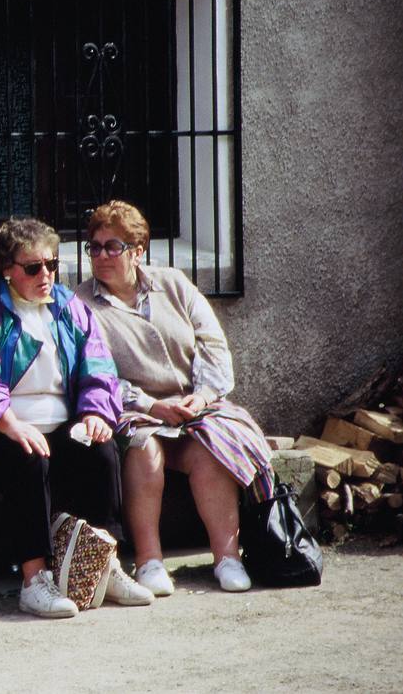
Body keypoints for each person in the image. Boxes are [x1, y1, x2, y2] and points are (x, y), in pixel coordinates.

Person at [0, 217, 153, 618]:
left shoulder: (67, 306)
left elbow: (99, 367)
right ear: (7, 269)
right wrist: (10, 423)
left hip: (58, 425)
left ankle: (104, 563)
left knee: (102, 452)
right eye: (33, 267)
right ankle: (34, 579)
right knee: (27, 457)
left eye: (51, 264)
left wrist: (96, 412)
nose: (45, 275)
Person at [76, 200, 275, 595]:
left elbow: (212, 345)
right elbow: (93, 373)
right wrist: (152, 406)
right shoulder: (82, 304)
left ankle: (227, 558)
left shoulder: (173, 284)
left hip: (190, 407)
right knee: (144, 448)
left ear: (138, 250)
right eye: (94, 247)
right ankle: (149, 562)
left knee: (211, 449)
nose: (101, 256)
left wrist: (199, 399)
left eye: (112, 246)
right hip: (133, 409)